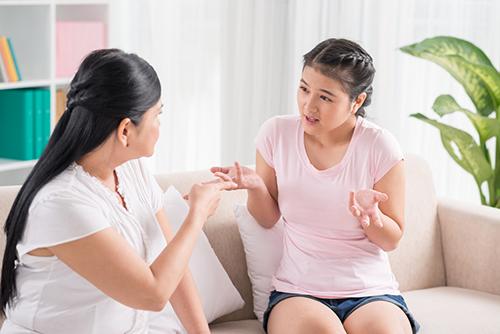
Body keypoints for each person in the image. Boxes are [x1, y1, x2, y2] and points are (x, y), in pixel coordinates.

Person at [0, 49, 236, 333]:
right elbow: (153, 294)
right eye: (157, 116)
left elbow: (175, 272)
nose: (160, 127)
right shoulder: (62, 202)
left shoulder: (131, 170)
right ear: (126, 130)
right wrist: (196, 216)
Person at [211, 38, 420, 334]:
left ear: (356, 101)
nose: (309, 105)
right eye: (304, 89)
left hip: (371, 292)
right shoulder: (276, 134)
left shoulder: (379, 146)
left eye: (325, 97)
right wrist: (256, 187)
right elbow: (267, 218)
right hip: (298, 291)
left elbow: (391, 240)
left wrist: (372, 218)